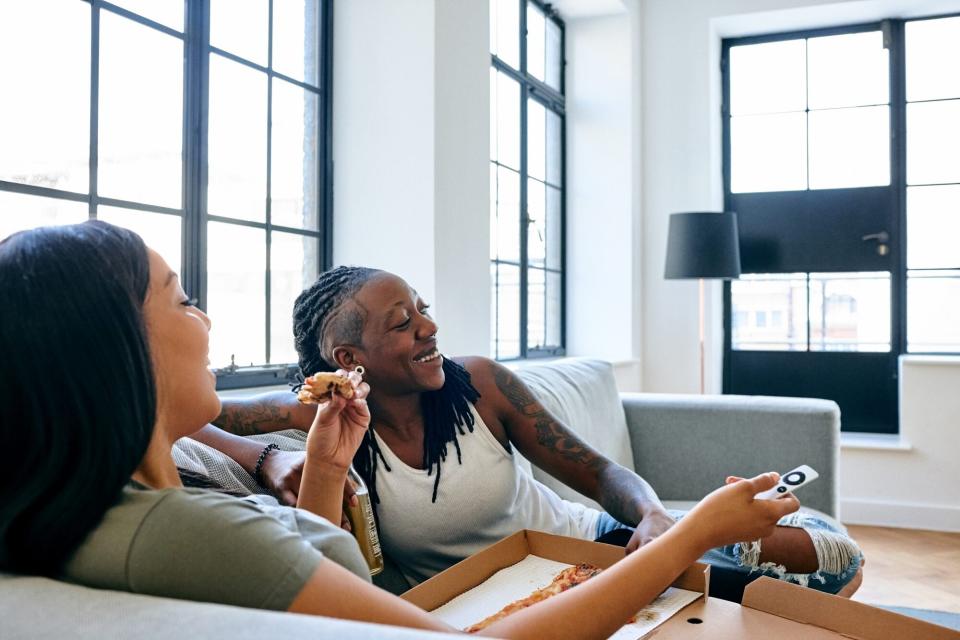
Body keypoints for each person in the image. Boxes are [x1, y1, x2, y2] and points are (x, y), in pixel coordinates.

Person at [0, 221, 805, 639]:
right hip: (497, 595)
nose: (205, 318)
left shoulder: (112, 509)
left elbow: (289, 595)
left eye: (423, 309)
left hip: (576, 548)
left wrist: (320, 470)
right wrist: (694, 528)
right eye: (181, 300)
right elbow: (267, 546)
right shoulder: (188, 527)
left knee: (809, 554)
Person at [205, 266, 863, 600]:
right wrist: (262, 458)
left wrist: (655, 515)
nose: (429, 329)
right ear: (349, 361)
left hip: (594, 546)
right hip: (506, 592)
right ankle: (721, 550)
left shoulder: (481, 383)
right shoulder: (322, 413)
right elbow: (190, 408)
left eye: (424, 311)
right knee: (771, 592)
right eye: (403, 322)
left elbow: (601, 472)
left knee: (832, 557)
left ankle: (711, 539)